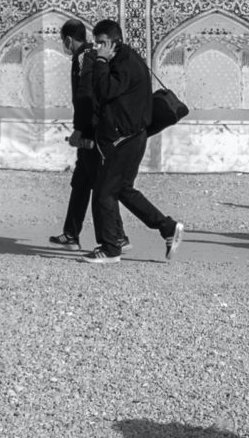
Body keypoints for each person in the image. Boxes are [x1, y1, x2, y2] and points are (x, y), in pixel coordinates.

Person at [79, 19, 184, 264]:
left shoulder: (123, 63)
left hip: (124, 138)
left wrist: (101, 62)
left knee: (104, 193)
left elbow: (105, 91)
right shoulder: (124, 59)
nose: (99, 48)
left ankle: (110, 248)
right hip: (129, 136)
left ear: (116, 41)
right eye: (96, 43)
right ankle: (167, 228)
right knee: (122, 189)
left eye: (103, 43)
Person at [49, 20, 102, 248]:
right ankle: (71, 233)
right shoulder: (93, 53)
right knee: (81, 182)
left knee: (103, 186)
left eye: (64, 42)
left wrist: (79, 130)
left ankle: (118, 236)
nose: (65, 46)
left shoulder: (83, 57)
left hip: (92, 130)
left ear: (69, 40)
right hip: (93, 127)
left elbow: (86, 96)